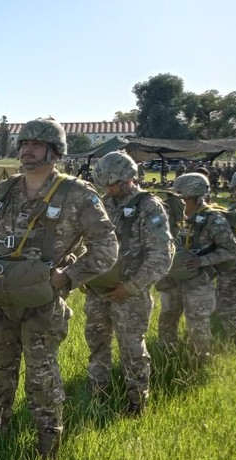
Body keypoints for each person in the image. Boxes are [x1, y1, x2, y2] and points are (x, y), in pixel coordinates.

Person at [0, 117, 117, 460]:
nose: (27, 149)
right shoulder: (6, 189)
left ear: (55, 151)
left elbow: (106, 247)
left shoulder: (77, 194)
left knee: (41, 378)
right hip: (0, 300)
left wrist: (67, 276)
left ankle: (48, 445)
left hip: (43, 303)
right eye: (24, 144)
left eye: (36, 144)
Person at [85, 152, 173, 416]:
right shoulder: (105, 203)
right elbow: (90, 242)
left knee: (132, 349)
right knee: (97, 343)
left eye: (111, 184)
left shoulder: (149, 207)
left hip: (131, 295)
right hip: (98, 291)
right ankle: (97, 395)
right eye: (104, 185)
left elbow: (162, 255)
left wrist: (131, 287)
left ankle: (136, 403)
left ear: (128, 179)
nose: (107, 189)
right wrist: (85, 275)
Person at [156, 173, 236, 362]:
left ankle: (200, 360)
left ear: (195, 197)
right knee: (168, 316)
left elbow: (232, 250)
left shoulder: (214, 220)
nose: (176, 201)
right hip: (173, 279)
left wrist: (202, 261)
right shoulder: (177, 217)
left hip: (199, 282)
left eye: (181, 197)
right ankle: (166, 354)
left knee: (197, 322)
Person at [214, 169, 236, 342]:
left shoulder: (233, 211)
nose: (233, 192)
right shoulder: (231, 210)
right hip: (234, 266)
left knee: (227, 303)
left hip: (233, 269)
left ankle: (234, 339)